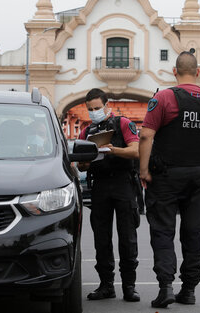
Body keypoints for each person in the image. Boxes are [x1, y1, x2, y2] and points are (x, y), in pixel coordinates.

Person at [139, 51, 200, 308]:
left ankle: (166, 287)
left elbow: (145, 136)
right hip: (198, 173)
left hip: (166, 175)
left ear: (174, 72)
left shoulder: (164, 97)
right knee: (194, 231)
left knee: (163, 230)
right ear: (198, 72)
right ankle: (188, 290)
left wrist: (143, 171)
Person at [77, 88, 141, 302]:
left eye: (97, 108)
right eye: (90, 109)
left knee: (127, 238)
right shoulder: (86, 132)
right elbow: (81, 166)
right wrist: (88, 159)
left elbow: (135, 151)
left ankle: (129, 287)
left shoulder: (123, 124)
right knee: (101, 239)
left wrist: (113, 150)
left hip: (123, 183)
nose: (94, 112)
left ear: (107, 106)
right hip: (100, 186)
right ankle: (106, 285)